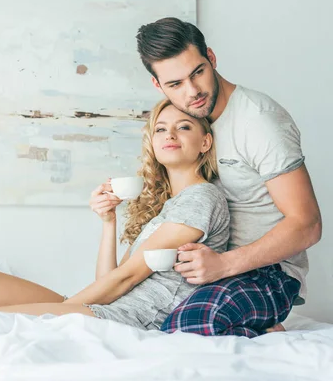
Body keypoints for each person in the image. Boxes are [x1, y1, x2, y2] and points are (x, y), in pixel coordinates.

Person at [0, 99, 229, 331]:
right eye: (161, 128)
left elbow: (126, 279)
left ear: (205, 142)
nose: (170, 135)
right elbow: (110, 279)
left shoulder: (202, 197)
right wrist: (108, 221)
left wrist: (57, 313)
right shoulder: (168, 207)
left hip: (125, 319)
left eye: (185, 127)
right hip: (97, 306)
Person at [136, 17, 322, 337]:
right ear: (158, 85)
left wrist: (224, 265)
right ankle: (259, 333)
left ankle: (264, 334)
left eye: (198, 72)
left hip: (266, 273)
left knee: (187, 329)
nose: (192, 91)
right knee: (142, 328)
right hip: (206, 271)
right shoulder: (185, 124)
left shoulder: (259, 121)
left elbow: (307, 225)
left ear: (211, 57)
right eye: (175, 84)